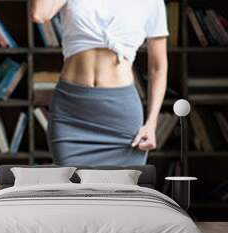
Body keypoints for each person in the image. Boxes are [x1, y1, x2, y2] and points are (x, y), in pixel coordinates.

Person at [31, 0, 169, 165]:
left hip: (120, 117)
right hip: (72, 112)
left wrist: (151, 123)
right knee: (72, 189)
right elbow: (39, 14)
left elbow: (158, 67)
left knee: (120, 190)